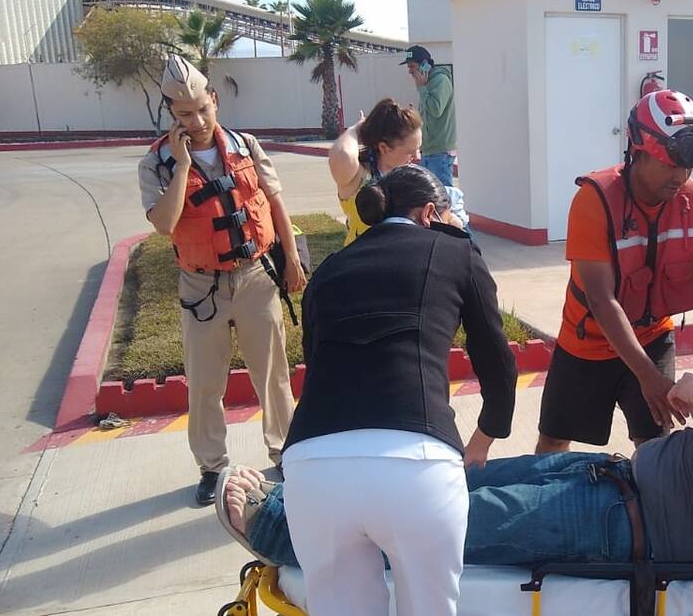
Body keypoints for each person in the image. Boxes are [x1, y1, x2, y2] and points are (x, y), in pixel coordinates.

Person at [220, 363, 693, 572]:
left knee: (451, 520)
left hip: (624, 524)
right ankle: (313, 492)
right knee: (448, 482)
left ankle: (281, 531)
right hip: (609, 475)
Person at [270, 164, 517, 616]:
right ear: (429, 214)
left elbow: (316, 360)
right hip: (414, 466)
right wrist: (483, 438)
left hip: (312, 467)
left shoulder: (329, 269)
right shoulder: (456, 252)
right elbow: (498, 363)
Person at [537, 89, 693, 454]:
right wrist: (647, 376)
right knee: (554, 440)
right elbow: (601, 300)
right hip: (586, 345)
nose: (680, 176)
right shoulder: (594, 202)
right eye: (670, 164)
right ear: (638, 149)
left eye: (687, 167)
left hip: (653, 337)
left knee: (654, 443)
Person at [138, 55, 305, 505]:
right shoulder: (157, 164)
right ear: (170, 113)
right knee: (205, 382)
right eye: (183, 114)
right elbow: (165, 224)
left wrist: (291, 259)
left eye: (202, 109)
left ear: (214, 100)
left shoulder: (247, 145)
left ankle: (286, 452)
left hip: (255, 276)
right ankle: (212, 467)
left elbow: (274, 204)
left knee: (273, 376)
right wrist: (184, 164)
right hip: (201, 287)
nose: (196, 121)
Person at [329, 97, 469, 247]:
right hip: (363, 261)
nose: (417, 156)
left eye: (419, 149)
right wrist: (355, 130)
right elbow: (343, 154)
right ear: (384, 148)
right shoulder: (358, 177)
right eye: (410, 151)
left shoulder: (413, 176)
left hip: (404, 262)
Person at [401, 45, 456, 187]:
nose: (410, 71)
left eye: (412, 66)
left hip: (440, 150)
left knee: (443, 196)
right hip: (429, 149)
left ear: (425, 65)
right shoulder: (426, 83)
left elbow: (436, 110)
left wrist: (422, 88)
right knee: (431, 194)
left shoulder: (440, 80)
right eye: (408, 67)